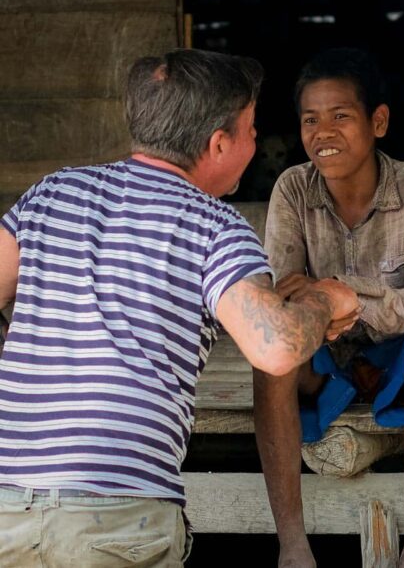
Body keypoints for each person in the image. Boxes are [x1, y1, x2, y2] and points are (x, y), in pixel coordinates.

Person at [0, 49, 360, 567]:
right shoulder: (213, 226)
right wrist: (326, 298)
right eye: (251, 129)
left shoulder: (52, 194)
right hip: (118, 522)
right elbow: (277, 347)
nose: (257, 142)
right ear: (218, 144)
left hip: (9, 509)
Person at [254, 48, 404, 568]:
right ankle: (292, 546)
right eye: (311, 120)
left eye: (340, 116)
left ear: (378, 122)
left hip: (402, 363)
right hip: (331, 363)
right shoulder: (292, 189)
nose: (322, 133)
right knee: (271, 354)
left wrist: (346, 295)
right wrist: (318, 302)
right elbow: (278, 296)